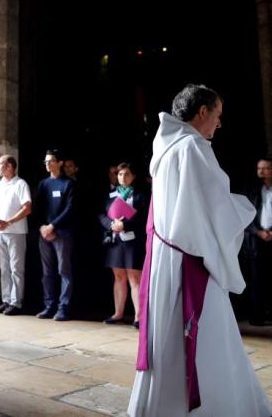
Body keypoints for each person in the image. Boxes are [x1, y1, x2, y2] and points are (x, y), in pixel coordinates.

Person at [129, 84, 272, 416]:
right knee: (209, 335)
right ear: (202, 111)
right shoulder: (193, 146)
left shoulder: (165, 148)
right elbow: (215, 206)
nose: (219, 123)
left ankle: (161, 405)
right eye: (217, 115)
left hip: (166, 256)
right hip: (190, 258)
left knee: (167, 335)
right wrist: (246, 211)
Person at [98, 162, 149, 328]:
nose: (123, 177)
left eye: (127, 174)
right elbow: (101, 214)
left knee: (134, 278)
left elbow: (144, 217)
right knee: (119, 276)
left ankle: (138, 317)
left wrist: (124, 225)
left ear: (133, 176)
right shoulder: (111, 194)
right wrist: (111, 224)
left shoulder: (141, 195)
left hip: (133, 241)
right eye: (120, 174)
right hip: (116, 240)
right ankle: (118, 313)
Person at [34, 149, 76, 321]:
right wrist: (42, 227)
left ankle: (63, 307)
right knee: (47, 272)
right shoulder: (43, 184)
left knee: (64, 270)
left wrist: (53, 226)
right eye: (45, 161)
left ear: (60, 163)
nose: (47, 164)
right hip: (44, 233)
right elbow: (38, 208)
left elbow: (70, 209)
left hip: (62, 232)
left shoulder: (68, 184)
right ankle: (49, 305)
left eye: (51, 161)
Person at [0, 155, 31, 315]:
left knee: (16, 268)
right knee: (4, 268)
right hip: (1, 232)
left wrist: (9, 222)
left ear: (9, 167)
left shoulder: (21, 184)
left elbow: (27, 208)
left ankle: (16, 302)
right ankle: (6, 300)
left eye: (0, 164)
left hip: (16, 232)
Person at [242, 156, 272, 325]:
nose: (261, 172)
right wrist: (258, 232)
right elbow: (245, 216)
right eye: (259, 168)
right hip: (256, 241)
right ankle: (257, 316)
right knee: (256, 279)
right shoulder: (251, 191)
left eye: (265, 168)